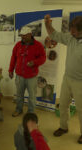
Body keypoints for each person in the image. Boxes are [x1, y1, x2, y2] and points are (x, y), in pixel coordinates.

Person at [44, 14, 82, 143]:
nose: (71, 32)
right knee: (63, 105)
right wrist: (47, 24)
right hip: (67, 78)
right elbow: (55, 35)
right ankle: (63, 127)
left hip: (80, 82)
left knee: (81, 109)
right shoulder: (71, 38)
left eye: (74, 30)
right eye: (70, 29)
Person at [9, 26, 46, 117]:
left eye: (25, 36)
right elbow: (13, 58)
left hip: (32, 76)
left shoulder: (38, 45)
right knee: (19, 95)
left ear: (30, 34)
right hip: (19, 76)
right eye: (22, 36)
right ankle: (19, 109)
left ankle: (31, 113)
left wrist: (34, 62)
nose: (23, 38)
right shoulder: (18, 45)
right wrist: (10, 70)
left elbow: (43, 58)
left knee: (32, 96)